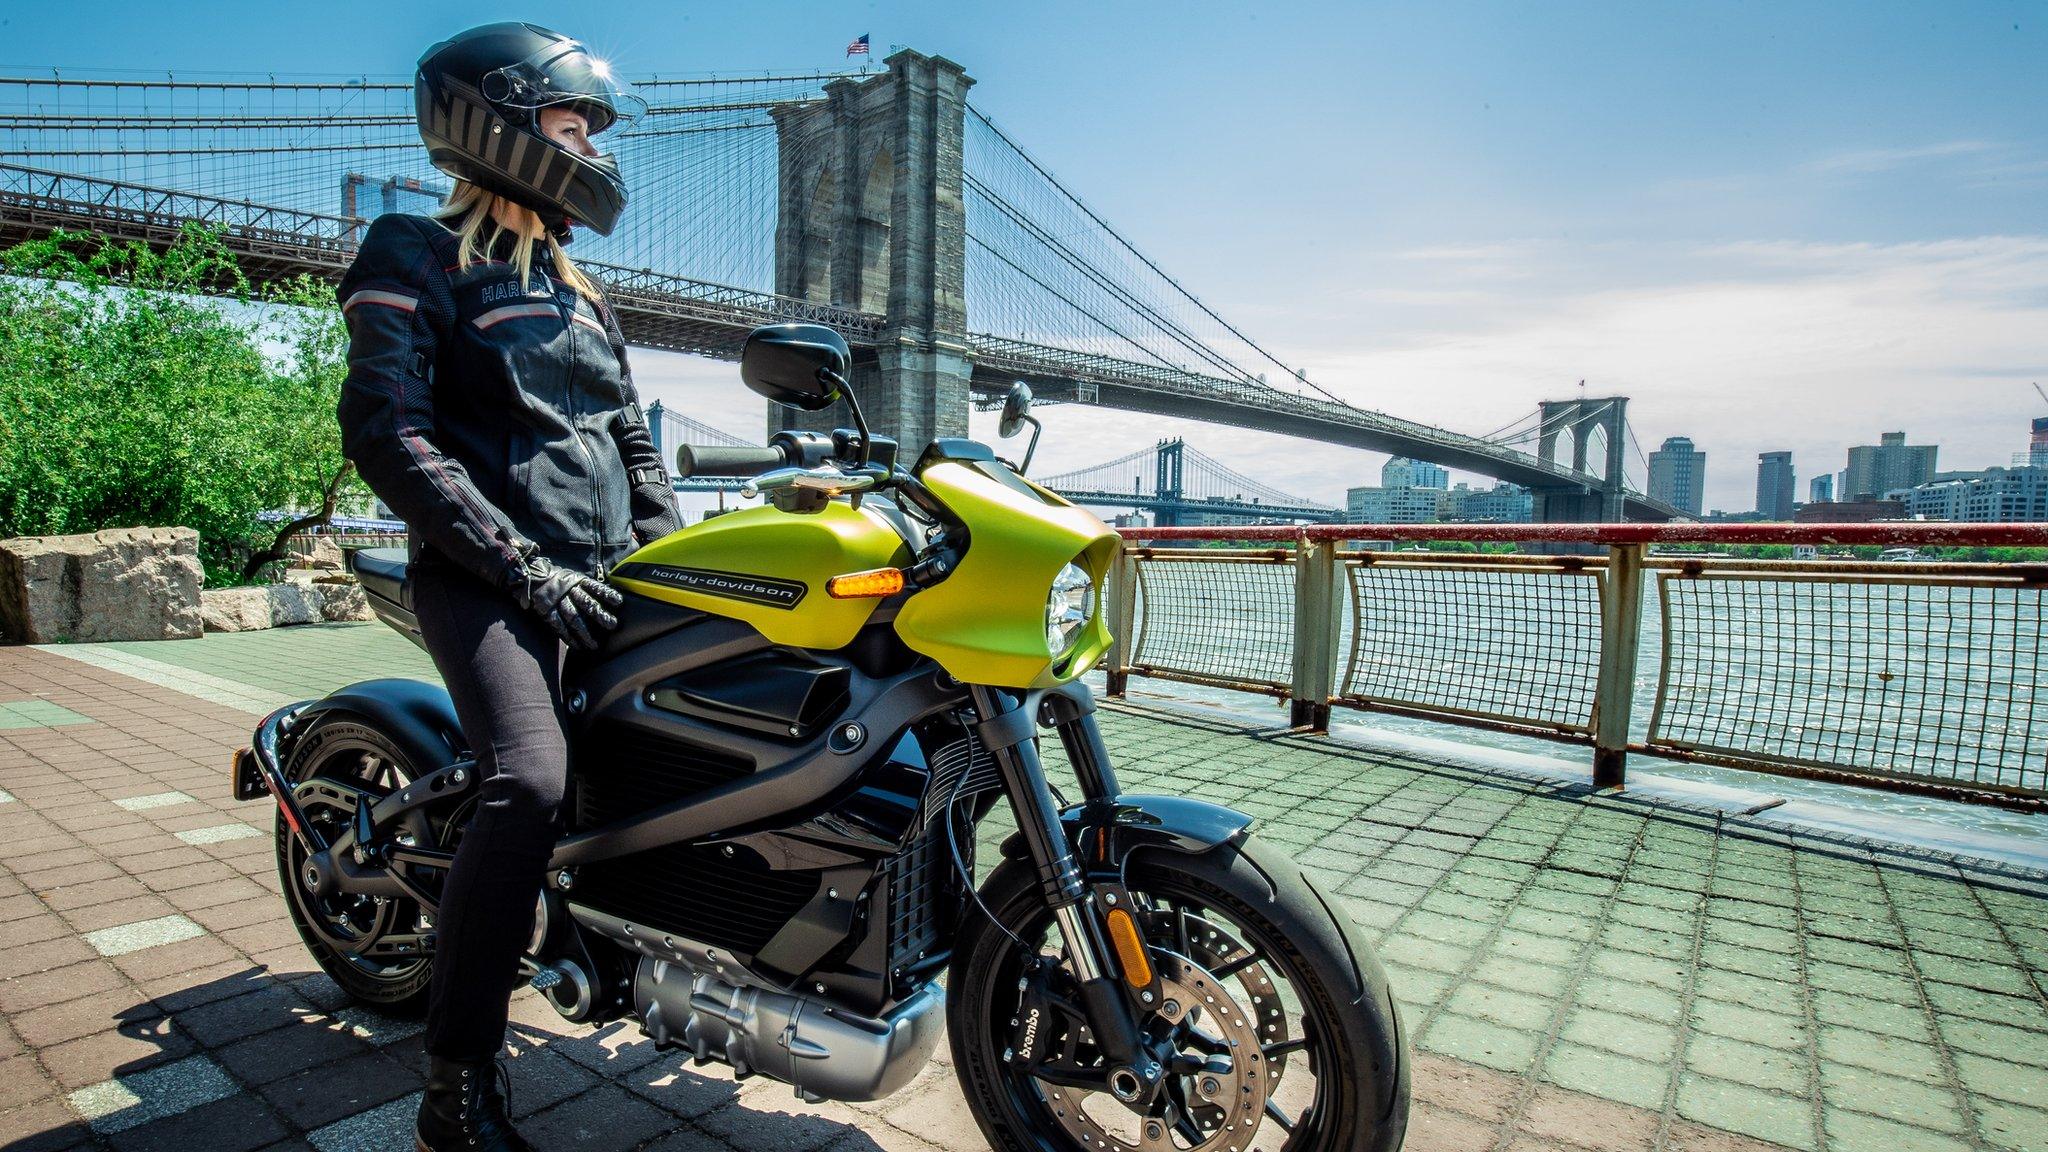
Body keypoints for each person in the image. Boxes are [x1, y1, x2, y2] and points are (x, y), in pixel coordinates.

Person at [334, 22, 682, 1152]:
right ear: (496, 123)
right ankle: (456, 1082)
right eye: (572, 125)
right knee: (528, 781)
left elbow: (629, 441)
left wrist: (673, 568)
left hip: (602, 579)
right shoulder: (412, 249)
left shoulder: (581, 289)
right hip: (486, 581)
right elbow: (386, 431)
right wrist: (518, 565)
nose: (591, 147)